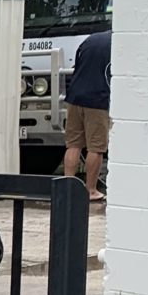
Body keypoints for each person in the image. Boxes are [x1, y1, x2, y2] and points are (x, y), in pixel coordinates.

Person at [64, 27, 111, 204]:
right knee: (96, 147)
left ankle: (67, 187)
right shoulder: (116, 44)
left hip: (75, 97)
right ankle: (90, 189)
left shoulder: (90, 39)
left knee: (73, 145)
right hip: (98, 99)